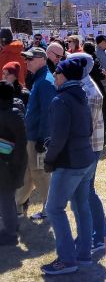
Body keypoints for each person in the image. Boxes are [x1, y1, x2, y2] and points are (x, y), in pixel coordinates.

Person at [41, 57, 95, 275]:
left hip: (70, 162)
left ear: (64, 75)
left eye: (56, 72)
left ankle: (66, 259)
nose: (53, 75)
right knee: (82, 207)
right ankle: (84, 254)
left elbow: (59, 137)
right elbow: (87, 129)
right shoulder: (81, 94)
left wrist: (48, 159)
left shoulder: (61, 99)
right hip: (85, 159)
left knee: (54, 208)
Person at [68, 52, 106, 252]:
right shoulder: (84, 86)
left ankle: (99, 236)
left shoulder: (88, 91)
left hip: (89, 148)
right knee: (84, 193)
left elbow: (85, 126)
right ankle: (95, 235)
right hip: (90, 147)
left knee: (86, 194)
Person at [16, 47, 55, 219]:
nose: (27, 62)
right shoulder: (40, 79)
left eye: (30, 59)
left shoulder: (45, 81)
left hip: (36, 138)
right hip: (30, 136)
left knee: (41, 174)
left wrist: (43, 138)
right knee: (27, 173)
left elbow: (48, 112)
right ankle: (16, 206)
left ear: (41, 59)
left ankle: (49, 209)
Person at [0, 81, 27, 245]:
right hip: (13, 164)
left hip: (6, 166)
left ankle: (10, 234)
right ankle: (13, 226)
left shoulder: (5, 115)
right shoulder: (17, 111)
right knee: (7, 198)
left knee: (5, 199)